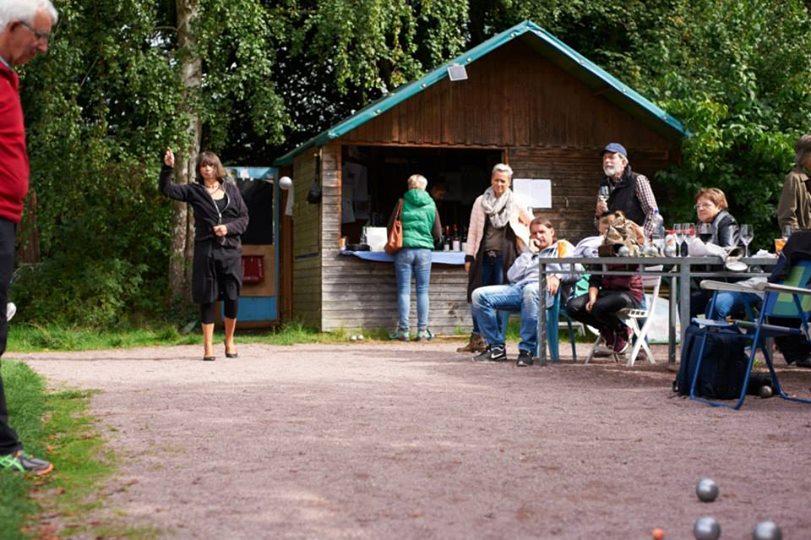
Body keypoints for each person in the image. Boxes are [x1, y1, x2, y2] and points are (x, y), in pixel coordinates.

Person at [0, 0, 57, 476]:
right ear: (12, 27)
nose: (42, 46)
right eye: (38, 36)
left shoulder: (7, 78)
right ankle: (3, 446)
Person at [160, 149, 249, 361]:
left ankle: (229, 341)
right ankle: (208, 346)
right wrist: (167, 168)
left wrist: (227, 228)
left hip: (230, 251)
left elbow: (244, 218)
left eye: (210, 165)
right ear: (199, 170)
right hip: (206, 250)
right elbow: (166, 189)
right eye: (203, 165)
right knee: (207, 296)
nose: (207, 168)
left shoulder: (232, 190)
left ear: (217, 167)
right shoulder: (194, 190)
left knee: (232, 296)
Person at [470, 217, 575, 366]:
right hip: (518, 289)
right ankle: (496, 347)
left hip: (545, 291)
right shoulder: (530, 253)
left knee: (530, 290)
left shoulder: (562, 247)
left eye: (542, 232)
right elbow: (512, 276)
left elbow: (577, 270)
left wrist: (557, 276)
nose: (538, 236)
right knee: (479, 295)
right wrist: (529, 252)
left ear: (552, 232)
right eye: (534, 233)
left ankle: (527, 350)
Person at [458, 163, 532, 353]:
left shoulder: (516, 201)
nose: (499, 184)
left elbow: (531, 222)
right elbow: (474, 230)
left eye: (503, 181)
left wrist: (528, 242)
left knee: (500, 299)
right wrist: (469, 256)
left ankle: (497, 340)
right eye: (496, 180)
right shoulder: (480, 201)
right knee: (476, 296)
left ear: (509, 182)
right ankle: (477, 338)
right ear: (491, 180)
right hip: (482, 256)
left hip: (506, 258)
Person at [567, 212, 644, 355]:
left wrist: (632, 231)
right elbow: (595, 279)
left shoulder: (632, 248)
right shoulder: (601, 250)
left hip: (628, 294)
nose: (611, 232)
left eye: (614, 228)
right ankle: (607, 329)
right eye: (608, 229)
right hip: (607, 293)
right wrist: (592, 298)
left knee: (599, 307)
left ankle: (622, 329)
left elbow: (642, 242)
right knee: (573, 307)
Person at [388, 174, 441, 341]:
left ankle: (403, 331)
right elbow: (438, 233)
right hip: (424, 251)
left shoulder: (401, 203)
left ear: (409, 186)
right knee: (422, 291)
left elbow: (390, 226)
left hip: (404, 250)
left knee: (404, 290)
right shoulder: (431, 204)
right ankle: (422, 331)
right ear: (424, 187)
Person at [595, 143, 659, 238]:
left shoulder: (637, 180)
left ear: (623, 163)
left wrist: (643, 236)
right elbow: (598, 224)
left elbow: (653, 212)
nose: (607, 161)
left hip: (635, 243)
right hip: (611, 243)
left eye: (611, 157)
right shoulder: (604, 185)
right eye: (604, 158)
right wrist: (598, 214)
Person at [777, 135, 811, 232]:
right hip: (804, 243)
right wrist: (800, 241)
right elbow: (787, 218)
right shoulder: (794, 179)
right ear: (804, 156)